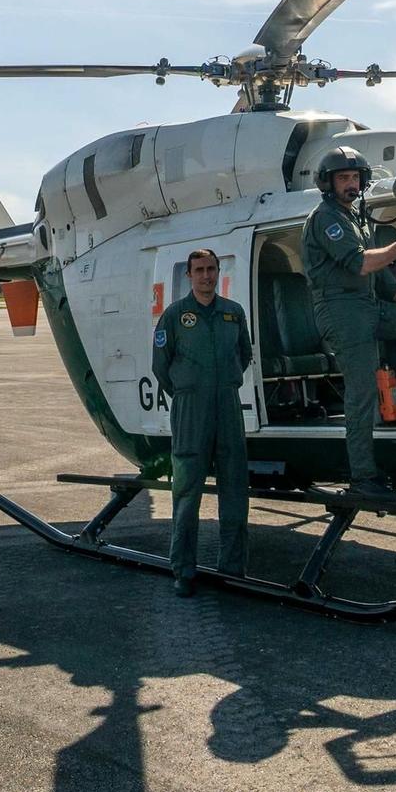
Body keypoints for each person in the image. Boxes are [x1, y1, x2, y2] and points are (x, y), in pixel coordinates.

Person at [300, 146, 396, 500]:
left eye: (355, 177)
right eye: (343, 178)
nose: (351, 184)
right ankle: (363, 478)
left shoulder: (354, 218)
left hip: (369, 305)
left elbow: (382, 275)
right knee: (361, 393)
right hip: (341, 311)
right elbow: (360, 264)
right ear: (329, 184)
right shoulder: (326, 218)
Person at [151, 248, 252, 596]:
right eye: (199, 271)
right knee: (187, 490)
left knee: (235, 487)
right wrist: (187, 389)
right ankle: (183, 570)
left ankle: (233, 570)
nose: (206, 276)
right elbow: (161, 366)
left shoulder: (233, 314)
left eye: (211, 269)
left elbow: (245, 355)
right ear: (189, 275)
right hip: (190, 409)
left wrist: (223, 384)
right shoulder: (175, 316)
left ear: (217, 271)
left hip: (227, 405)